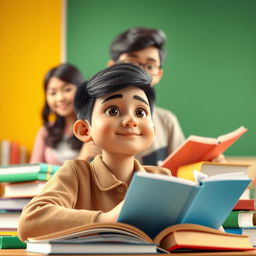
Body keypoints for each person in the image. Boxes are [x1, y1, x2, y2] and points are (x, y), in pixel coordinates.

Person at [18, 63, 172, 241]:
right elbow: (29, 221)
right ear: (85, 130)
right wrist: (105, 221)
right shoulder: (76, 174)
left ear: (153, 128)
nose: (131, 120)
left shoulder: (162, 178)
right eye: (113, 110)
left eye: (140, 112)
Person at [107, 27, 185, 166]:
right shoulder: (95, 117)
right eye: (131, 63)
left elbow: (183, 169)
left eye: (149, 66)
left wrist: (207, 164)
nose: (139, 72)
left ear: (158, 75)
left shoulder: (167, 121)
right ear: (112, 67)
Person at [30, 63, 100, 165]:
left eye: (67, 89)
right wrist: (82, 157)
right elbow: (34, 173)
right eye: (53, 93)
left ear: (81, 91)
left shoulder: (94, 129)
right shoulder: (45, 132)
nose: (60, 98)